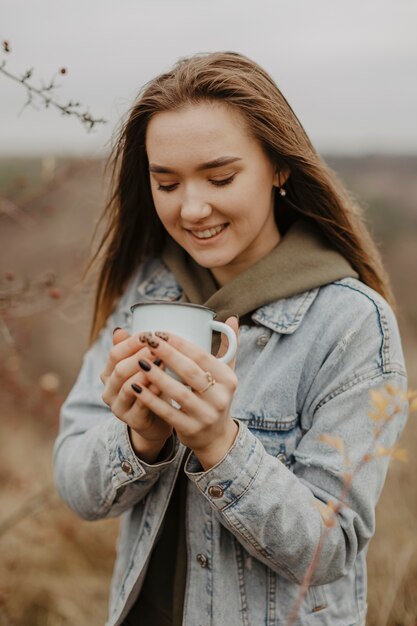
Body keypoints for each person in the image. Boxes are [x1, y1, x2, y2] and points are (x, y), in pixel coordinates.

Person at [53, 51, 408, 626]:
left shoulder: (349, 323)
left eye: (221, 178)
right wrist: (137, 440)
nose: (192, 208)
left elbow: (332, 548)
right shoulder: (148, 291)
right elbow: (75, 482)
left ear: (279, 167)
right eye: (166, 182)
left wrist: (221, 445)